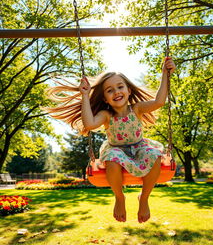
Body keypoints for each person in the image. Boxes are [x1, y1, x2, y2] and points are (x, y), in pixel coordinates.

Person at [46, 57, 175, 223]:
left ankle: (144, 198)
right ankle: (119, 198)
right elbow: (90, 124)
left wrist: (165, 73)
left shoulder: (137, 109)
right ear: (105, 98)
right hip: (116, 150)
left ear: (129, 91)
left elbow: (159, 101)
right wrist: (85, 95)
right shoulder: (106, 115)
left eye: (120, 87)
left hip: (139, 147)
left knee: (155, 155)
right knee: (112, 160)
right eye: (110, 90)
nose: (116, 92)